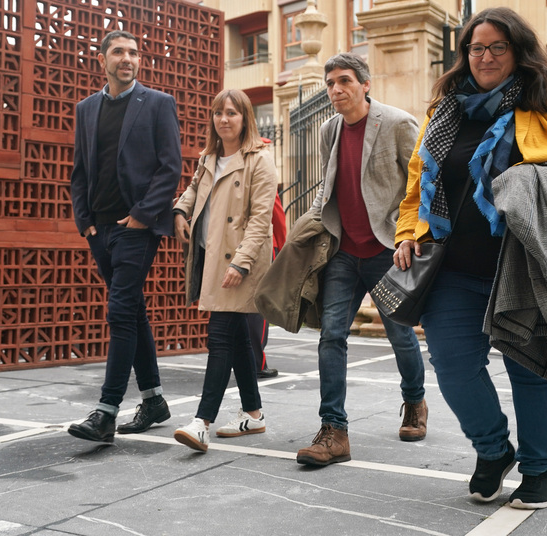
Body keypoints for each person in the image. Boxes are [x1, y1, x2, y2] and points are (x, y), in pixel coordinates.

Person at [393, 7, 547, 509]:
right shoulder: (444, 108)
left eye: (498, 47)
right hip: (451, 264)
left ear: (518, 51)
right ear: (464, 54)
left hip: (529, 262)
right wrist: (408, 232)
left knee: (531, 367)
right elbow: (417, 185)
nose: (486, 56)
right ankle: (494, 451)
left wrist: (537, 183)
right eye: (477, 47)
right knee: (452, 366)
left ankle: (540, 467)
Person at [296, 53, 428, 467]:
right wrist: (315, 221)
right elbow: (327, 185)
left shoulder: (397, 123)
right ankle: (333, 430)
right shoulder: (328, 129)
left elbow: (421, 184)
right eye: (331, 83)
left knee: (401, 336)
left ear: (365, 84)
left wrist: (410, 236)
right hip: (343, 251)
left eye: (345, 81)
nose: (336, 90)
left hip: (388, 251)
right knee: (331, 335)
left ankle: (414, 403)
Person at [68, 30, 182, 443]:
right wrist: (85, 221)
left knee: (119, 312)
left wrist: (140, 217)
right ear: (103, 60)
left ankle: (106, 411)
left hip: (136, 228)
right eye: (119, 52)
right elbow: (80, 169)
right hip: (100, 228)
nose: (128, 59)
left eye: (134, 53)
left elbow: (170, 167)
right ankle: (153, 399)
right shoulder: (86, 109)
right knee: (132, 310)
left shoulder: (157, 104)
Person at [171, 89, 278, 452]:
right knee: (236, 340)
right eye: (218, 113)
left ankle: (201, 422)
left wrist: (242, 262)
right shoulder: (209, 156)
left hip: (238, 263)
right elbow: (193, 189)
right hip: (210, 258)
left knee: (219, 337)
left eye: (231, 113)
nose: (224, 119)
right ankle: (253, 414)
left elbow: (262, 219)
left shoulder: (260, 159)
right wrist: (180, 211)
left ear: (245, 117)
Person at [248, 188, 287, 379]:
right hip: (262, 246)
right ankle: (257, 363)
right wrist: (282, 247)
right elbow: (277, 217)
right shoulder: (262, 168)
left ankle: (237, 358)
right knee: (258, 306)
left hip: (231, 246)